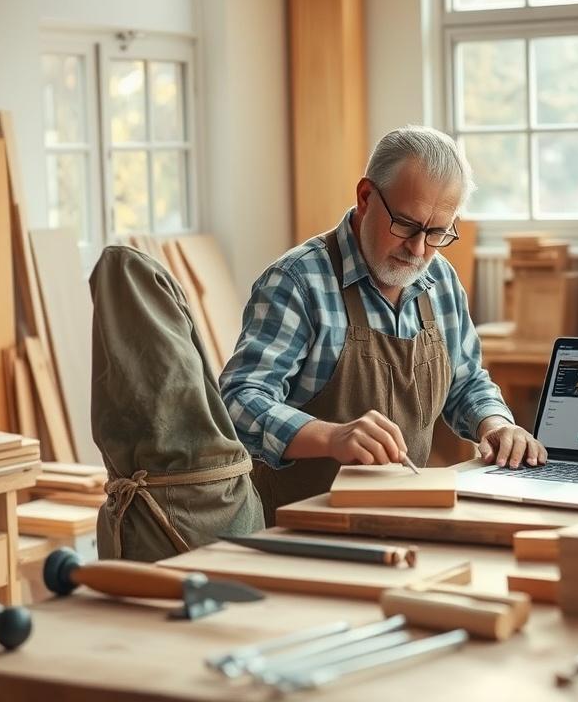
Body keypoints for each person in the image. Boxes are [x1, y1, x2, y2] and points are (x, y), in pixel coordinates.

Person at [220, 126, 546, 524]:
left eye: (438, 232)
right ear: (366, 197)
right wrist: (330, 436)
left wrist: (495, 425)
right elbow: (237, 401)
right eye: (407, 226)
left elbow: (466, 381)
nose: (419, 249)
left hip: (399, 520)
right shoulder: (298, 283)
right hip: (298, 530)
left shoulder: (440, 281)